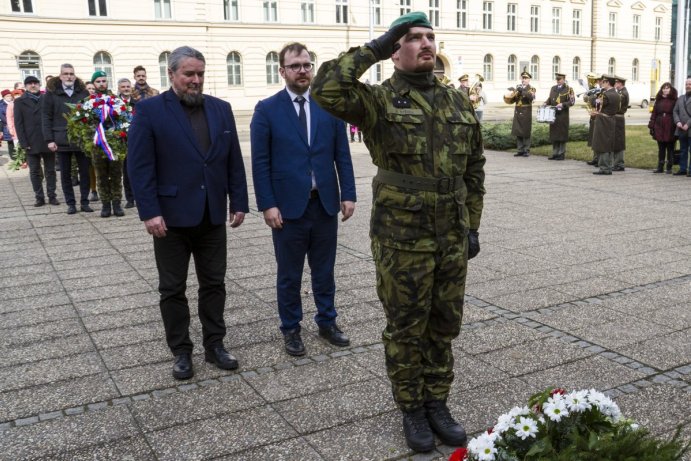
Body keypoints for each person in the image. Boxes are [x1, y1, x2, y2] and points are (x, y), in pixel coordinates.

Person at [312, 11, 485, 453]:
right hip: (401, 236)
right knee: (406, 325)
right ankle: (411, 407)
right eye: (412, 38)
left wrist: (473, 225)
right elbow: (325, 89)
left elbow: (474, 170)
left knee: (444, 324)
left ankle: (437, 402)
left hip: (450, 233)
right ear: (396, 49)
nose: (425, 44)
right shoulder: (377, 100)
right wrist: (374, 47)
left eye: (430, 37)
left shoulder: (457, 102)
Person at [127, 46, 249, 380]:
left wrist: (239, 201)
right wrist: (149, 212)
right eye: (189, 74)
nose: (196, 80)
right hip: (169, 219)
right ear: (171, 74)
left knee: (214, 284)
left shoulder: (221, 110)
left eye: (200, 74)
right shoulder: (149, 110)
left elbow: (233, 161)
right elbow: (139, 167)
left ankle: (215, 345)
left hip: (211, 217)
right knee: (172, 288)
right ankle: (181, 351)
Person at [251, 42, 357, 357]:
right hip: (287, 208)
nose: (302, 71)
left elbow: (342, 154)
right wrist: (267, 204)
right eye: (295, 66)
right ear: (282, 71)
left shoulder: (328, 107)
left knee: (324, 271)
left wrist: (348, 193)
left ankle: (327, 321)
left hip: (324, 203)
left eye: (307, 65)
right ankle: (291, 329)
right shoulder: (267, 109)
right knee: (290, 274)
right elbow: (260, 163)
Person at [42, 64, 93, 214]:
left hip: (81, 139)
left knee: (85, 173)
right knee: (65, 174)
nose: (69, 76)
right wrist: (49, 140)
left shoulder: (83, 93)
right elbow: (46, 117)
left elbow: (89, 115)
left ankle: (84, 202)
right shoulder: (51, 94)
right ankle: (71, 203)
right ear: (60, 76)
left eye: (71, 73)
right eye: (65, 74)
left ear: (75, 76)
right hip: (61, 139)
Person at [14, 75, 59, 207]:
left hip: (47, 140)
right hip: (31, 141)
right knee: (34, 171)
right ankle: (39, 197)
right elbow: (19, 124)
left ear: (39, 84)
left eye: (35, 83)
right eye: (30, 84)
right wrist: (23, 142)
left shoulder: (46, 98)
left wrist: (53, 138)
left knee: (50, 170)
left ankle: (52, 196)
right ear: (26, 86)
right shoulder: (19, 101)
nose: (33, 85)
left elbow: (53, 118)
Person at [89, 71, 126, 218]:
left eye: (104, 81)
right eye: (98, 81)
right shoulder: (89, 101)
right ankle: (105, 204)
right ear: (94, 83)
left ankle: (116, 203)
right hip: (98, 145)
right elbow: (85, 124)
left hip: (115, 144)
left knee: (116, 174)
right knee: (101, 175)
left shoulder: (116, 100)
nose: (101, 84)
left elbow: (125, 119)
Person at [591, 75, 620, 175]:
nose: (601, 83)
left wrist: (592, 96)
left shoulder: (606, 95)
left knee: (602, 144)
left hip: (603, 120)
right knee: (608, 143)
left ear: (607, 83)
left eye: (603, 82)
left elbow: (596, 104)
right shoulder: (616, 94)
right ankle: (608, 166)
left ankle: (604, 168)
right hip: (611, 119)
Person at [543, 72, 575, 160]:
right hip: (553, 115)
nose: (558, 81)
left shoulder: (569, 89)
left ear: (564, 79)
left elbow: (572, 102)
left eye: (559, 79)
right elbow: (550, 98)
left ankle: (561, 154)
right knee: (554, 135)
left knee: (561, 135)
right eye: (557, 79)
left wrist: (563, 104)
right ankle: (555, 153)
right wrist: (546, 102)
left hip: (562, 115)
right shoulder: (553, 88)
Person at [504, 70, 535, 157]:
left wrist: (523, 91)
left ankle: (526, 150)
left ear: (529, 80)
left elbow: (531, 98)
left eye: (526, 78)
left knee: (525, 132)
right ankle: (520, 149)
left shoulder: (531, 89)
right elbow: (513, 100)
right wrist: (511, 93)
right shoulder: (518, 87)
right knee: (518, 131)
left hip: (526, 112)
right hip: (518, 111)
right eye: (523, 78)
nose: (524, 80)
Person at [648, 82, 678, 174]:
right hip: (659, 124)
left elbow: (677, 113)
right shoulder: (659, 100)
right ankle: (660, 166)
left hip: (670, 124)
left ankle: (669, 167)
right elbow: (654, 113)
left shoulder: (674, 100)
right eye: (663, 88)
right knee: (661, 147)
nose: (665, 90)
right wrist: (652, 125)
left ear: (670, 89)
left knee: (670, 147)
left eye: (667, 88)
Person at [117, 77, 136, 209]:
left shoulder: (137, 103)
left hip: (136, 142)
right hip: (121, 142)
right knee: (126, 172)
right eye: (123, 87)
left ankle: (139, 197)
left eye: (128, 86)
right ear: (119, 88)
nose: (126, 89)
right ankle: (130, 199)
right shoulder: (115, 104)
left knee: (137, 171)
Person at [673, 76, 691, 176]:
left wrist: (688, 124)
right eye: (686, 84)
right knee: (683, 150)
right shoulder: (680, 98)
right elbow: (675, 111)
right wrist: (678, 122)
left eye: (690, 84)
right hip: (681, 129)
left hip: (690, 129)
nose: (688, 86)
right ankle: (683, 169)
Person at [612, 76, 629, 172]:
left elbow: (616, 105)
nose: (615, 85)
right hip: (617, 118)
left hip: (618, 118)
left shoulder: (623, 94)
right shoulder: (620, 93)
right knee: (616, 141)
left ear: (620, 83)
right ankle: (617, 163)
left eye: (616, 83)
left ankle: (619, 163)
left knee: (618, 141)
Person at [1, 89, 16, 159]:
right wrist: (9, 122)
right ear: (4, 97)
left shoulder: (14, 102)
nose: (9, 97)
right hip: (7, 126)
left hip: (16, 125)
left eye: (10, 95)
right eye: (7, 96)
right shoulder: (1, 105)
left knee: (16, 141)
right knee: (10, 142)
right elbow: (2, 117)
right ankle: (13, 157)